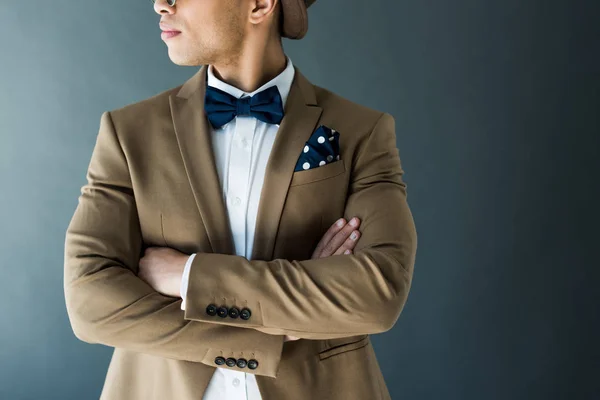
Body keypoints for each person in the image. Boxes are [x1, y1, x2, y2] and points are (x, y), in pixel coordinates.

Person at [63, 0, 418, 399]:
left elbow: (378, 294)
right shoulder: (128, 133)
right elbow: (89, 302)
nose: (161, 4)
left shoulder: (362, 131)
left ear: (260, 5)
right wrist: (284, 321)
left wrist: (187, 276)